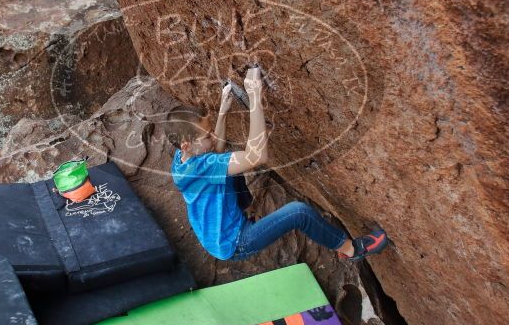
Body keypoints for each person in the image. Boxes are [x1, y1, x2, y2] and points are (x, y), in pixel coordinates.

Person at [166, 65, 389, 262]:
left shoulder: (183, 160)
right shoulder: (202, 168)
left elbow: (218, 148)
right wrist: (254, 95)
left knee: (229, 168)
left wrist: (223, 110)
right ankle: (352, 250)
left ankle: (247, 209)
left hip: (219, 232)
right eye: (207, 135)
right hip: (234, 243)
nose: (213, 137)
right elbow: (256, 156)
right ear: (186, 144)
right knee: (298, 213)